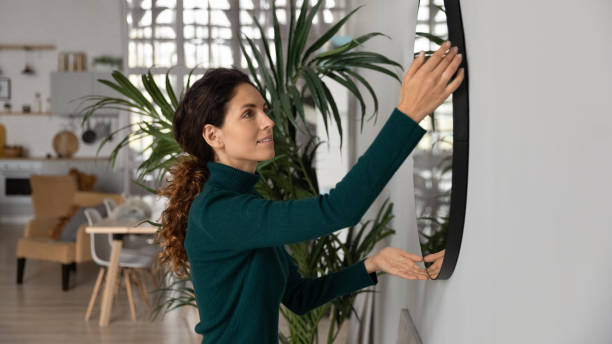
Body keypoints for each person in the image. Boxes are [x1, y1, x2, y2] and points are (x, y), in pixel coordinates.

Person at [157, 40, 464, 343]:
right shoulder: (218, 211)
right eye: (249, 114)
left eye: (264, 109)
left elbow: (299, 296)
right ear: (213, 135)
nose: (269, 121)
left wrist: (374, 263)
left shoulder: (242, 206)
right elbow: (338, 209)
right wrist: (408, 114)